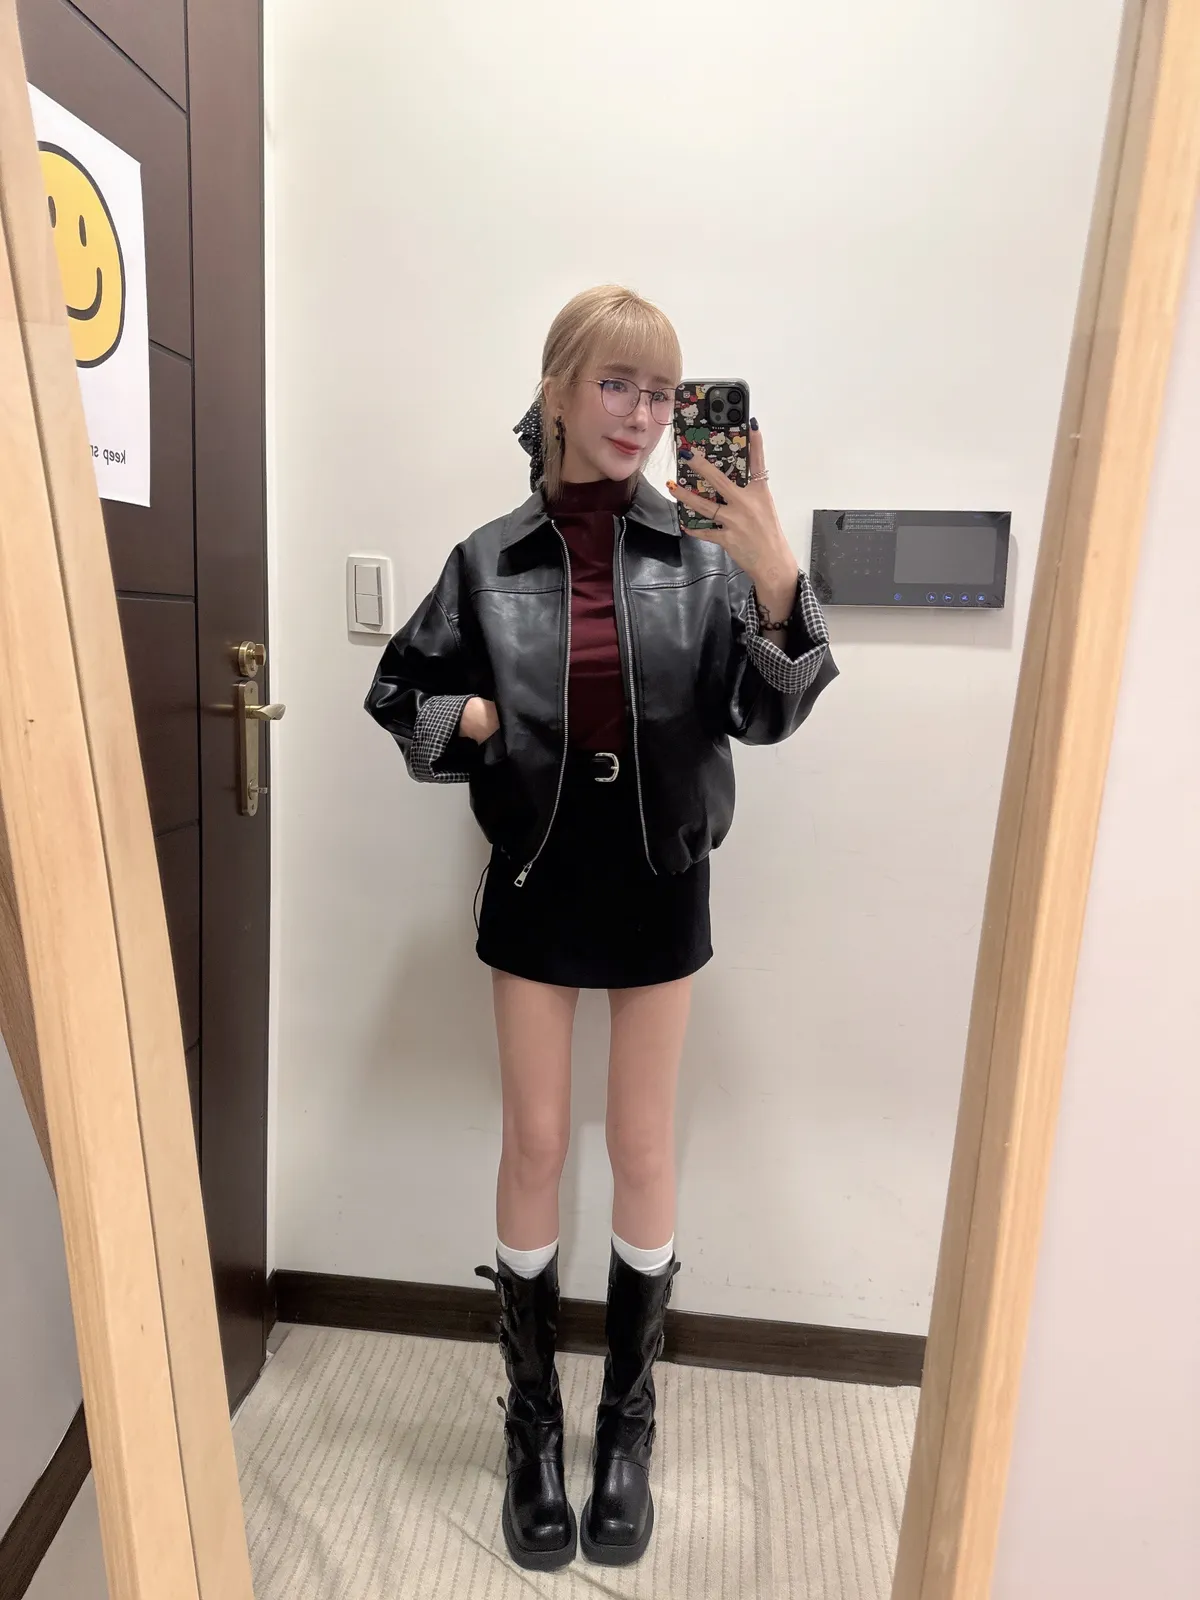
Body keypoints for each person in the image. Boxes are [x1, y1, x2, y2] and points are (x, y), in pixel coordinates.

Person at [364, 284, 838, 1570]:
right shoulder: (488, 559)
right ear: (561, 392)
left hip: (660, 875)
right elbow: (399, 689)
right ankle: (532, 1423)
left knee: (639, 1142)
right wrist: (471, 722)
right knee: (532, 1139)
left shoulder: (704, 556)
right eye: (617, 384)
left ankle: (627, 1422)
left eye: (662, 391)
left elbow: (769, 711)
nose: (642, 413)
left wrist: (774, 565)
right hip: (538, 874)